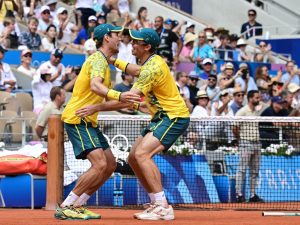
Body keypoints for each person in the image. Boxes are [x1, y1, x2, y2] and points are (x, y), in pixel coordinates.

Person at [76, 28, 190, 220]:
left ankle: (163, 206)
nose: (132, 44)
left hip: (174, 117)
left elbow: (128, 100)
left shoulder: (151, 70)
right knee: (133, 158)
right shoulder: (152, 61)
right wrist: (112, 60)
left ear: (147, 46)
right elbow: (134, 70)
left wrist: (96, 108)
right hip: (161, 117)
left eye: (136, 42)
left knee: (142, 154)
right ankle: (155, 202)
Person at [56, 23, 140, 220]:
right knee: (100, 164)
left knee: (110, 164)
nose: (121, 38)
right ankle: (67, 205)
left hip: (89, 121)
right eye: (116, 35)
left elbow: (105, 101)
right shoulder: (98, 60)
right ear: (106, 38)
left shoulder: (104, 61)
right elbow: (95, 86)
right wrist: (121, 96)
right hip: (78, 119)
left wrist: (134, 104)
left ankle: (79, 204)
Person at [233, 90, 264, 203]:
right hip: (246, 143)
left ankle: (252, 194)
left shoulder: (256, 112)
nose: (258, 99)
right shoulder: (242, 112)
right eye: (256, 97)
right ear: (250, 98)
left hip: (257, 143)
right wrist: (239, 139)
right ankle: (239, 194)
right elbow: (234, 127)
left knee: (255, 171)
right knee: (242, 169)